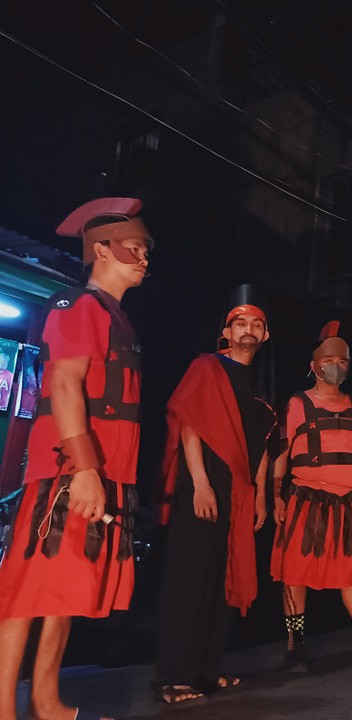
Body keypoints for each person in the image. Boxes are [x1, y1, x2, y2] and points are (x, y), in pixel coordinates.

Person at [0, 197, 152, 720]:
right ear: (102, 251)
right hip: (67, 476)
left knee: (62, 593)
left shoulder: (116, 318)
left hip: (102, 476)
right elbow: (64, 383)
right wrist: (86, 468)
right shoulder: (80, 307)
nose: (144, 256)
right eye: (135, 246)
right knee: (27, 590)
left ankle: (45, 700)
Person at [155, 285, 276, 706]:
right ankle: (174, 676)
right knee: (190, 577)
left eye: (256, 324)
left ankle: (206, 671)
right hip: (202, 485)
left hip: (241, 494)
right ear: (227, 330)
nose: (248, 330)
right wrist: (201, 482)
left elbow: (260, 445)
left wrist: (260, 496)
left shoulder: (259, 385)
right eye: (240, 322)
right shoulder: (208, 367)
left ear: (265, 335)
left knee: (225, 578)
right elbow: (190, 424)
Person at [271, 321, 352, 671]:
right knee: (296, 574)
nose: (337, 366)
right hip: (306, 500)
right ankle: (294, 646)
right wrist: (275, 495)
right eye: (330, 359)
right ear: (315, 364)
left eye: (343, 361)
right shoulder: (297, 404)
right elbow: (282, 454)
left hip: (346, 504)